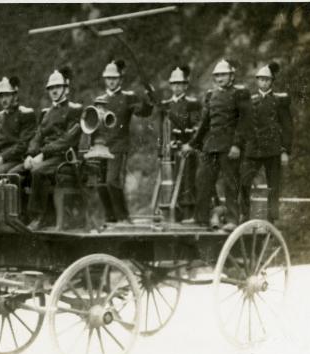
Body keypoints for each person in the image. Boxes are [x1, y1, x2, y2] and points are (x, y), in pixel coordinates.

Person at [184, 59, 252, 232]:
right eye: (217, 75)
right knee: (202, 180)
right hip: (210, 146)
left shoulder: (240, 94)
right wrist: (193, 144)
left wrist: (237, 145)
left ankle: (232, 220)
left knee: (231, 183)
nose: (220, 78)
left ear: (231, 76)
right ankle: (201, 219)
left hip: (229, 147)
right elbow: (205, 123)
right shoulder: (210, 95)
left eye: (223, 74)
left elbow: (244, 122)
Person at [21, 68, 83, 230]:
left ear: (66, 89)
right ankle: (22, 217)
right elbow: (38, 136)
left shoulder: (74, 109)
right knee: (18, 173)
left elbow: (68, 140)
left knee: (38, 172)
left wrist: (43, 154)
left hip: (65, 157)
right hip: (47, 157)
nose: (54, 91)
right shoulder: (47, 113)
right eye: (51, 88)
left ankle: (40, 217)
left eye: (58, 87)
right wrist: (30, 154)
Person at [96, 60, 154, 223]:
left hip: (119, 146)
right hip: (100, 147)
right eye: (108, 78)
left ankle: (123, 217)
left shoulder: (128, 97)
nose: (111, 81)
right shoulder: (100, 99)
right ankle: (110, 218)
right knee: (100, 184)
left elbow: (143, 112)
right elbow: (93, 125)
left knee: (112, 181)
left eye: (114, 78)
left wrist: (149, 99)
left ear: (120, 79)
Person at [240, 62, 293, 224]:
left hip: (273, 149)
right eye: (261, 80)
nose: (264, 83)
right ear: (257, 81)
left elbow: (287, 127)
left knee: (273, 185)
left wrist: (285, 151)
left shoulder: (279, 101)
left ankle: (272, 218)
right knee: (244, 181)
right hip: (254, 149)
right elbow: (244, 126)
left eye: (267, 80)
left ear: (271, 82)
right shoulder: (250, 100)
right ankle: (244, 215)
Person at [160, 66, 201, 221]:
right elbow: (161, 130)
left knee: (187, 180)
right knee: (168, 181)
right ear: (171, 85)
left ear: (185, 85)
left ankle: (188, 212)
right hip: (169, 150)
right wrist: (161, 150)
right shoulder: (166, 104)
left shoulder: (192, 104)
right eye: (174, 84)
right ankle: (172, 212)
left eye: (180, 84)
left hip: (186, 149)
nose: (177, 87)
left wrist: (190, 145)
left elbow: (196, 127)